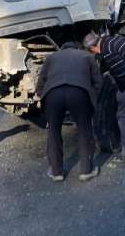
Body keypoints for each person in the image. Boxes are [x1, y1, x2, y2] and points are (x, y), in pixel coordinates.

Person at [36, 41, 102, 182]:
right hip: (79, 92)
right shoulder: (87, 56)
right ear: (77, 48)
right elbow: (98, 82)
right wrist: (92, 99)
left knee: (53, 131)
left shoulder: (52, 57)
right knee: (84, 130)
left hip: (53, 93)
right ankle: (86, 171)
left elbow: (40, 82)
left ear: (62, 48)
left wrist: (43, 96)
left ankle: (56, 172)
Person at [83, 32, 125, 163]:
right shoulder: (115, 39)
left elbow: (122, 73)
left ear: (92, 48)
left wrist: (120, 92)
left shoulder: (107, 51)